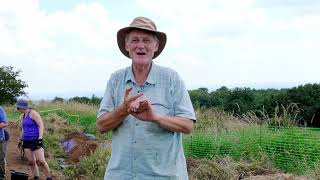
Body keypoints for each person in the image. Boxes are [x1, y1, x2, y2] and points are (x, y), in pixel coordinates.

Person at [97, 16, 196, 180]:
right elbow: (101, 126)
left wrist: (154, 117)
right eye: (134, 40)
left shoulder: (171, 78)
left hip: (165, 175)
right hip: (121, 175)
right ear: (126, 45)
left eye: (147, 40)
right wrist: (123, 110)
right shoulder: (116, 79)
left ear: (155, 46)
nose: (140, 45)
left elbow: (188, 125)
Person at [16, 99, 52, 180]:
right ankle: (36, 177)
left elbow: (41, 126)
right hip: (26, 141)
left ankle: (49, 177)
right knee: (31, 162)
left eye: (18, 108)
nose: (17, 109)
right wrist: (21, 139)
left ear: (22, 107)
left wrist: (40, 139)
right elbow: (24, 129)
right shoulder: (22, 116)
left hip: (35, 140)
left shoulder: (33, 113)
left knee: (41, 161)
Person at [0, 106, 8, 180]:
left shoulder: (0, 109)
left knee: (1, 158)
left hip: (0, 138)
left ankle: (1, 174)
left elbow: (5, 123)